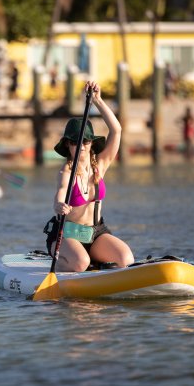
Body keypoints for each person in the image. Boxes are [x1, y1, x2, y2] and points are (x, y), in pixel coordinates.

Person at [44, 81, 134, 272]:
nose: (82, 146)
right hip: (66, 234)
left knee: (125, 258)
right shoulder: (66, 172)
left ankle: (94, 262)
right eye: (76, 142)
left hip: (95, 232)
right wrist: (59, 205)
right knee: (81, 263)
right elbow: (60, 194)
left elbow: (116, 130)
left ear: (91, 143)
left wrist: (97, 101)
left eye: (85, 141)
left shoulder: (100, 166)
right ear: (68, 145)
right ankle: (64, 260)